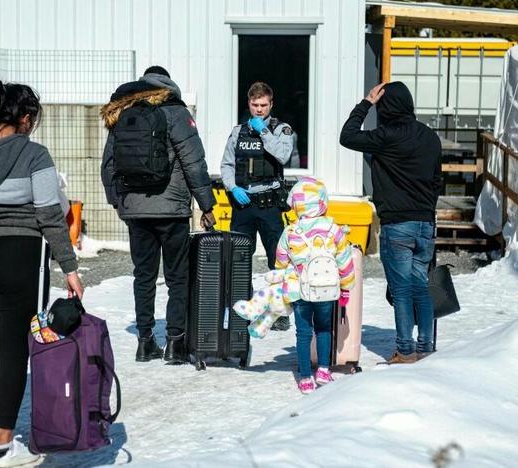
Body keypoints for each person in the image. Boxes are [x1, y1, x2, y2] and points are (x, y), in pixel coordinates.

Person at [0, 81, 83, 466]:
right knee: (15, 344)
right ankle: (3, 440)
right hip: (17, 257)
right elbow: (49, 215)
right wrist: (71, 268)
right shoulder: (35, 155)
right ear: (26, 118)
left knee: (1, 332)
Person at [101, 66, 216, 364]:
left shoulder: (125, 111)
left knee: (144, 276)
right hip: (172, 209)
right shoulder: (176, 113)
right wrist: (206, 205)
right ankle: (176, 344)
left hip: (136, 210)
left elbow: (108, 165)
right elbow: (194, 163)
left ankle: (144, 341)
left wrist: (119, 203)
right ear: (168, 84)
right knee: (177, 276)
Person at [339, 82, 442, 364]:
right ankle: (425, 346)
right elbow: (436, 182)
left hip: (398, 224)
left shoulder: (386, 136)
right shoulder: (431, 137)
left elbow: (347, 137)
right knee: (420, 285)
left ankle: (405, 349)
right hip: (425, 224)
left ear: (385, 107)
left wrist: (365, 103)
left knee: (401, 290)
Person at [220, 81, 295, 331]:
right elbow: (227, 165)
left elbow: (283, 156)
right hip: (244, 204)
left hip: (270, 203)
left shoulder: (281, 129)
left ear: (271, 104)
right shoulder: (238, 132)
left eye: (263, 105)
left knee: (278, 259)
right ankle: (246, 306)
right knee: (239, 258)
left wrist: (264, 132)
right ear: (249, 104)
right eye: (255, 105)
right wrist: (232, 187)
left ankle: (280, 311)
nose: (259, 110)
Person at [274, 177, 355, 394]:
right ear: (322, 203)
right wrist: (346, 287)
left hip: (300, 290)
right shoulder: (334, 229)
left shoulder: (291, 231)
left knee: (303, 333)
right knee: (323, 329)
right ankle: (323, 370)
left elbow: (281, 260)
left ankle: (305, 376)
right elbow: (345, 261)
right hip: (326, 290)